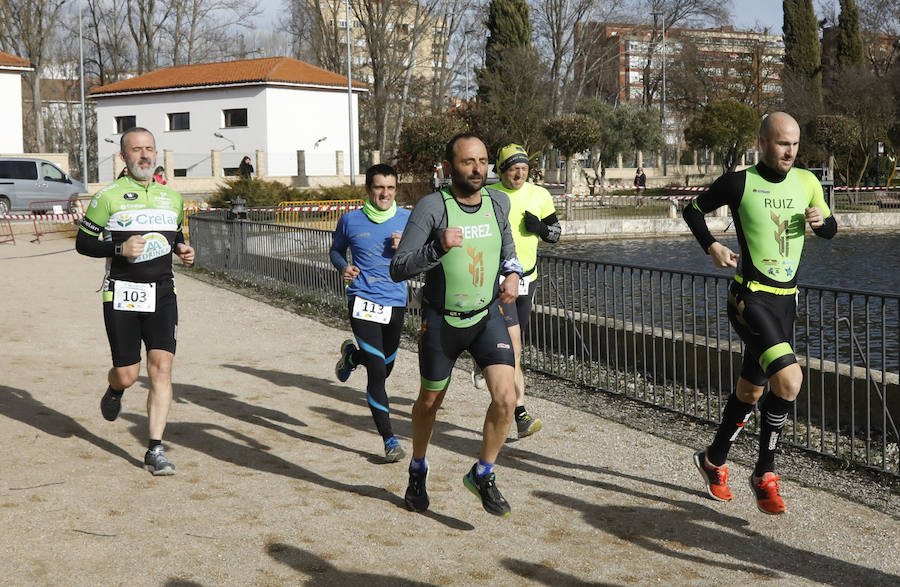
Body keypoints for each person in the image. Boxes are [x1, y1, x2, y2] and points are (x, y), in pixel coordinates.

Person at [683, 112, 837, 515]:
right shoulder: (739, 182)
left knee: (750, 392)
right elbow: (692, 210)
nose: (790, 151)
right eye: (782, 143)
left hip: (787, 301)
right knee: (789, 381)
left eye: (795, 144)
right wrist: (712, 246)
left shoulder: (807, 182)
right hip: (748, 298)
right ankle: (763, 473)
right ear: (763, 143)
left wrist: (822, 224)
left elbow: (831, 227)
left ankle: (712, 460)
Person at [390, 133, 523, 517]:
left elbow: (508, 250)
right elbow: (399, 268)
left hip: (486, 318)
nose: (479, 169)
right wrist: (438, 248)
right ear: (449, 167)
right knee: (430, 402)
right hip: (442, 323)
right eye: (469, 162)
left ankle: (483, 473)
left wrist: (512, 276)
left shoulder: (498, 201)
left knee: (506, 398)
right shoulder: (433, 207)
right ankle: (418, 468)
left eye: (483, 161)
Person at [75, 126, 195, 476]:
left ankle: (155, 448)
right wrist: (118, 248)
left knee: (162, 368)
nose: (144, 155)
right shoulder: (107, 197)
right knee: (129, 375)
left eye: (149, 149)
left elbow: (175, 236)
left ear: (156, 154)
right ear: (124, 157)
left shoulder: (172, 198)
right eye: (136, 150)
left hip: (162, 293)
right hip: (122, 295)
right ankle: (115, 388)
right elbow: (83, 244)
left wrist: (183, 249)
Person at [475, 143, 561, 439]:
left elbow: (557, 235)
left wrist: (540, 229)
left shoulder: (540, 194)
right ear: (501, 169)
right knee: (514, 347)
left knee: (515, 349)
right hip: (498, 280)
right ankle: (521, 413)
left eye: (524, 168)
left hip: (528, 278)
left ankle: (485, 359)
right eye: (513, 168)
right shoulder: (490, 195)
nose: (519, 173)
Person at [330, 163, 411, 462]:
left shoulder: (408, 219)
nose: (385, 193)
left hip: (396, 302)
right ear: (368, 189)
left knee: (385, 368)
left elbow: (423, 254)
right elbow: (336, 250)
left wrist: (408, 248)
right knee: (377, 371)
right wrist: (343, 267)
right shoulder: (350, 220)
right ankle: (390, 440)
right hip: (362, 300)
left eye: (390, 188)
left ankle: (352, 356)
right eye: (379, 187)